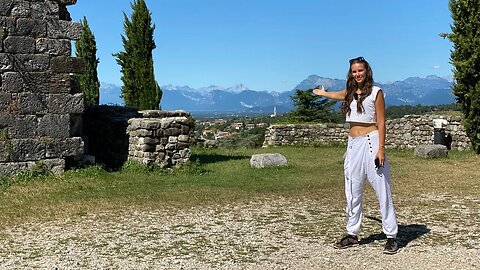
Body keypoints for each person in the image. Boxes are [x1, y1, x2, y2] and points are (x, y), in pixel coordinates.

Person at [313, 56, 399, 254]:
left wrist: (382, 148)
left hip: (372, 141)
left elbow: (382, 121)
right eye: (354, 71)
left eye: (360, 70)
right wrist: (323, 93)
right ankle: (352, 234)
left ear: (366, 71)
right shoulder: (351, 93)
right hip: (353, 144)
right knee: (352, 190)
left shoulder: (376, 92)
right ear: (351, 74)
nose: (357, 74)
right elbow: (337, 94)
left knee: (382, 189)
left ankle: (391, 235)